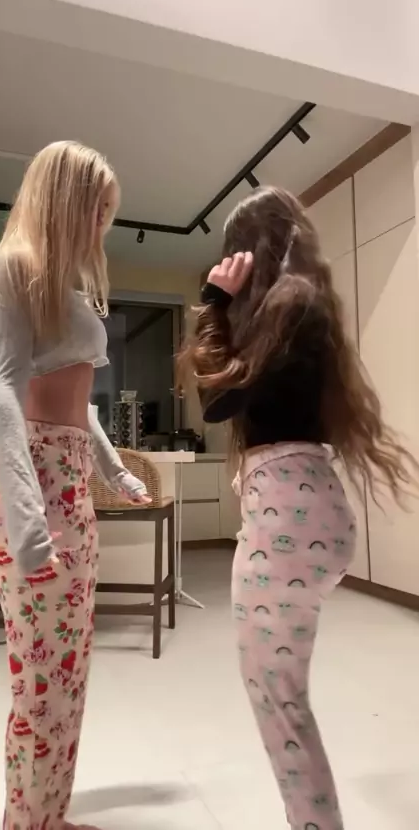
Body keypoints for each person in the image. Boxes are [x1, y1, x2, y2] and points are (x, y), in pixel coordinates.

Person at [179, 186, 418, 830]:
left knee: (278, 701)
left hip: (286, 518)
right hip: (307, 509)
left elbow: (216, 401)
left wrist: (213, 303)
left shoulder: (289, 304)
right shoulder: (304, 307)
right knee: (282, 694)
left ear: (249, 251)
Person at [0, 141, 150, 830]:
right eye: (97, 208)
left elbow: (80, 403)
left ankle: (47, 815)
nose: (103, 223)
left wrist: (113, 469)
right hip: (31, 481)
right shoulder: (14, 266)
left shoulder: (67, 285)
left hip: (63, 480)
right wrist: (26, 518)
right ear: (66, 199)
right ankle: (28, 823)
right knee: (43, 676)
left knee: (66, 668)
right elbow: (4, 389)